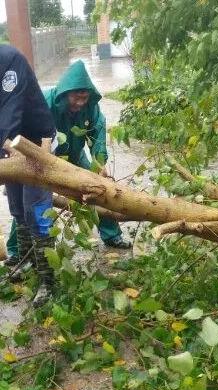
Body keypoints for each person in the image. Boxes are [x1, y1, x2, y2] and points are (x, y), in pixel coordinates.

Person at [5, 60, 131, 262]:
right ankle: (16, 251)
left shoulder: (90, 107)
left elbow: (97, 131)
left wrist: (100, 164)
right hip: (43, 159)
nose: (80, 103)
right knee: (29, 205)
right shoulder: (44, 101)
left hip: (74, 156)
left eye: (84, 97)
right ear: (65, 93)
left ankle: (112, 235)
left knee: (99, 189)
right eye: (76, 97)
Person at [0, 44, 57, 307]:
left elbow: (10, 113)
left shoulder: (10, 61)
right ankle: (26, 264)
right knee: (17, 210)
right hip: (8, 145)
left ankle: (49, 282)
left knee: (36, 214)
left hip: (36, 143)